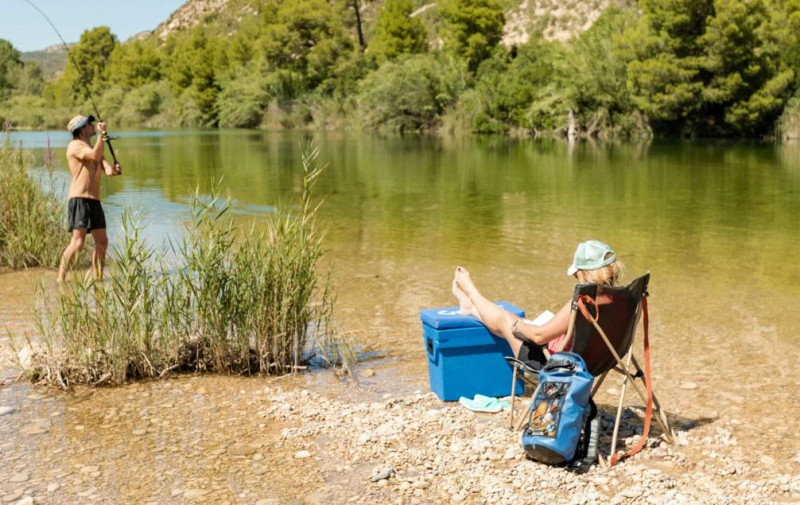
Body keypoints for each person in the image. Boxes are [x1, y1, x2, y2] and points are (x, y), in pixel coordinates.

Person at [451, 240, 623, 369]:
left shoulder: (583, 302)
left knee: (507, 321)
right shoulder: (620, 299)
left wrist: (518, 326)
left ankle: (471, 291)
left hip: (557, 365)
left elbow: (539, 337)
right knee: (521, 323)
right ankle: (472, 308)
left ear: (585, 274)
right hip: (600, 361)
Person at [57, 114, 122, 283]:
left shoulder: (94, 147)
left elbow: (106, 169)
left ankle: (97, 279)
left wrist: (114, 170)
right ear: (81, 129)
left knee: (102, 241)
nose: (93, 125)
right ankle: (61, 279)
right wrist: (101, 136)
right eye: (89, 124)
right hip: (80, 198)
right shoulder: (75, 146)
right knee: (77, 243)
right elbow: (93, 156)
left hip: (94, 200)